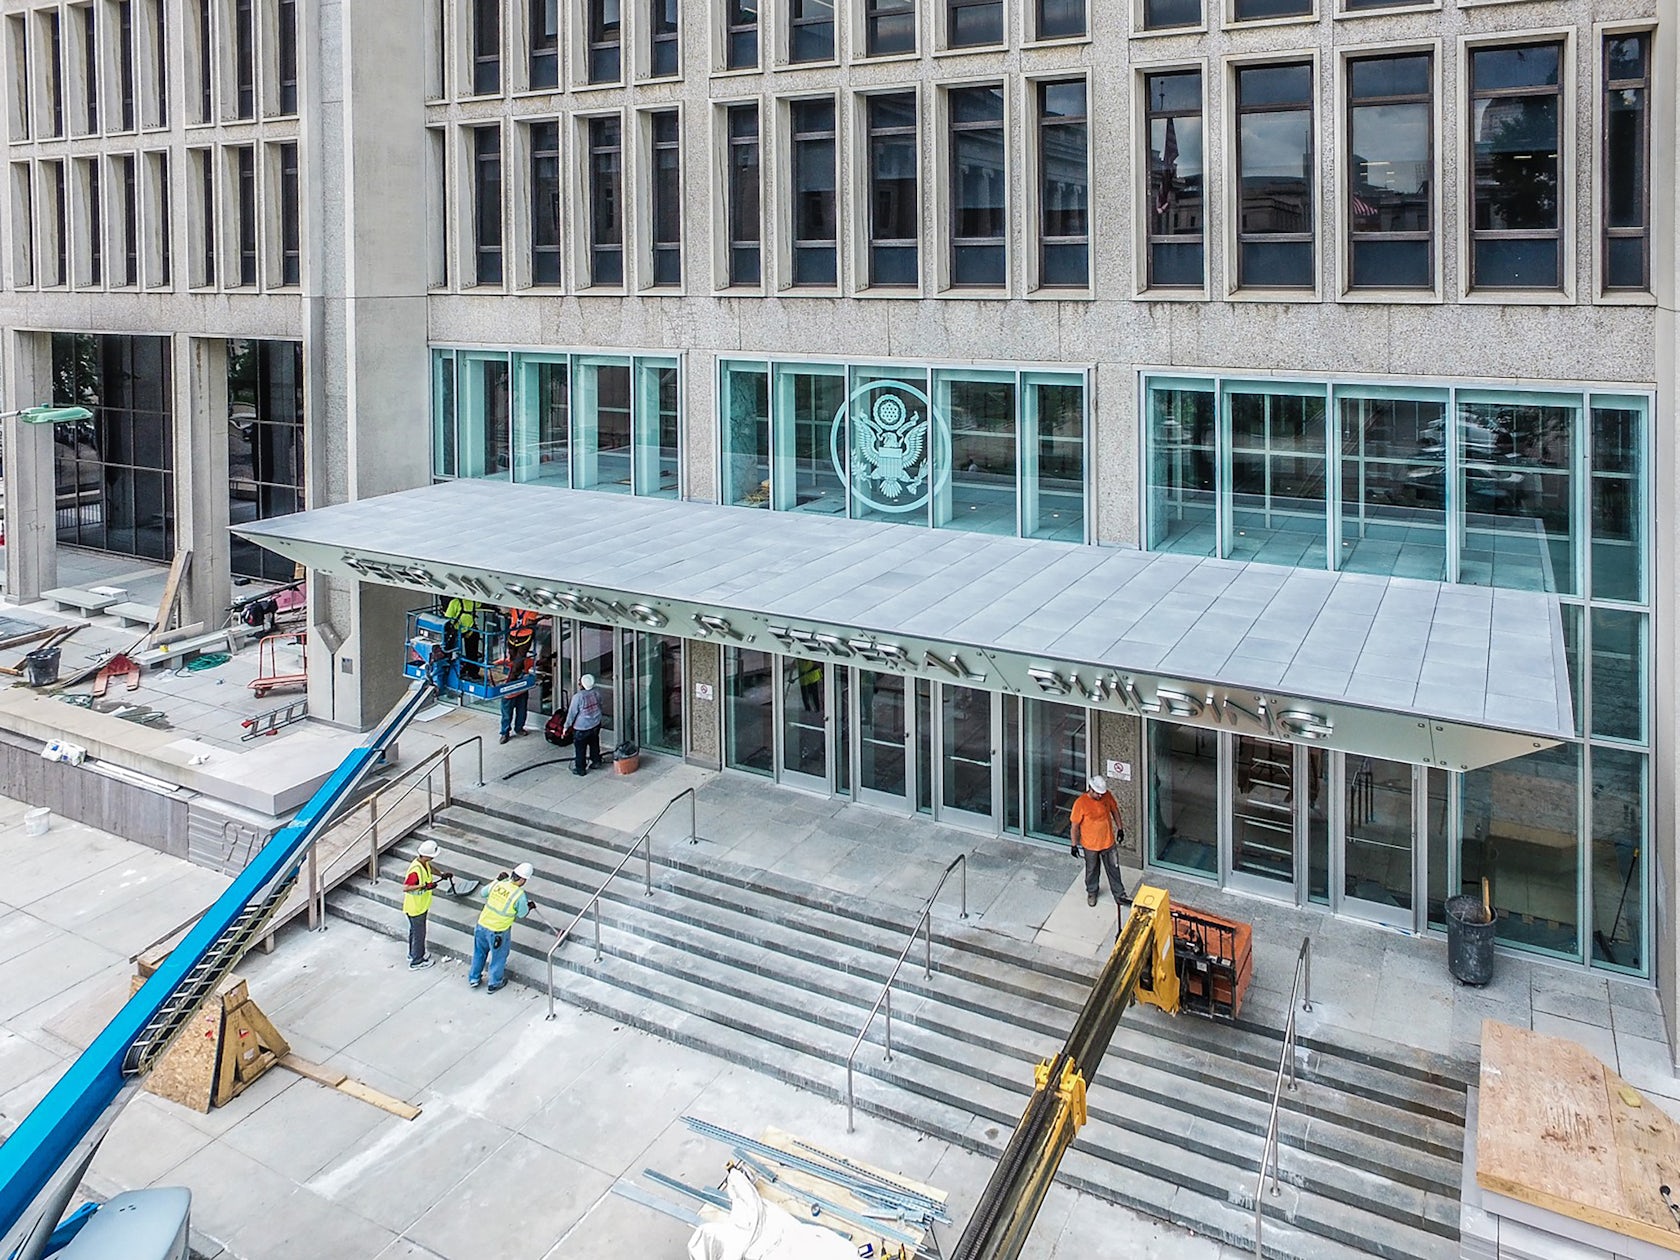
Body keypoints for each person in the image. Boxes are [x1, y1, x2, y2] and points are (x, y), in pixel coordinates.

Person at [469, 862, 535, 992]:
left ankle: (474, 978)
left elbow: (483, 892)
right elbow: (522, 914)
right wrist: (529, 907)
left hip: (482, 925)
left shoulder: (499, 883)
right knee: (499, 957)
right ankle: (494, 982)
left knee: (479, 953)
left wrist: (496, 880)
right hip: (498, 931)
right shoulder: (519, 895)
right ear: (522, 879)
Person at [1071, 775, 1127, 909]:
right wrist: (1074, 845)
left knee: (1114, 868)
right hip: (1090, 845)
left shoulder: (1107, 796)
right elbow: (1074, 826)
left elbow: (1114, 810)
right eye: (1098, 793)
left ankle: (1119, 894)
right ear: (1091, 789)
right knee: (1092, 870)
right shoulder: (1081, 803)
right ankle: (1092, 892)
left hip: (1108, 841)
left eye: (1102, 793)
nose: (1100, 796)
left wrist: (1120, 828)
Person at [402, 839, 451, 970]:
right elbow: (406, 887)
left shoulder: (422, 863)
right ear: (427, 855)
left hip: (419, 906)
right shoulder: (415, 870)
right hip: (416, 907)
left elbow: (430, 868)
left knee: (415, 931)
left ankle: (413, 954)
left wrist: (441, 874)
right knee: (419, 934)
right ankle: (417, 961)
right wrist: (425, 886)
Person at [562, 673, 604, 777]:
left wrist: (566, 727)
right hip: (595, 724)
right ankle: (596, 761)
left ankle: (580, 769)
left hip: (582, 727)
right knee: (594, 743)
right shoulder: (596, 693)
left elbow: (572, 713)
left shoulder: (578, 697)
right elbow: (600, 704)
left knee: (580, 749)